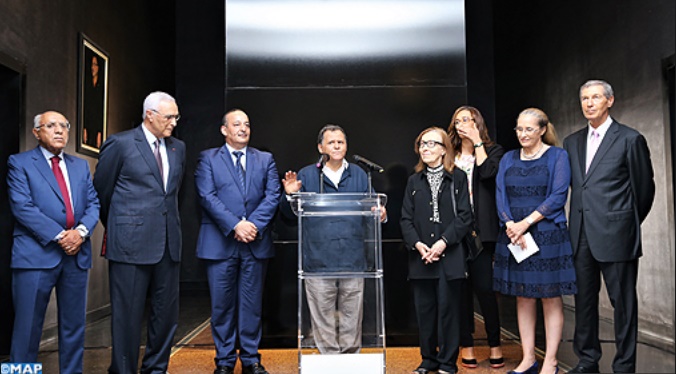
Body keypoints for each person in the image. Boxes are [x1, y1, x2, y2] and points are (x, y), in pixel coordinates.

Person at [563, 80, 655, 373]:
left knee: (623, 306)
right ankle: (588, 360)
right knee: (584, 303)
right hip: (580, 235)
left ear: (610, 101)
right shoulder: (571, 141)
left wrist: (624, 221)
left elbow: (644, 189)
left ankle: (624, 366)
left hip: (617, 234)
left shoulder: (629, 139)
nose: (589, 103)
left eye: (595, 97)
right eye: (584, 98)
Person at [94, 91, 186, 374]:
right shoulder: (120, 144)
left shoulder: (178, 147)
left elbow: (172, 195)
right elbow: (102, 192)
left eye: (176, 116)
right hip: (130, 245)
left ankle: (156, 369)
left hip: (168, 244)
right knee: (127, 317)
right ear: (149, 115)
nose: (174, 122)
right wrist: (125, 226)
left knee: (166, 316)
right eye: (169, 116)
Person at [7, 111, 100, 373]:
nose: (59, 130)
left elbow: (93, 203)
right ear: (37, 132)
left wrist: (80, 232)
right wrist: (62, 236)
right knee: (27, 329)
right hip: (35, 256)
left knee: (74, 328)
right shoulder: (20, 162)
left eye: (64, 126)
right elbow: (22, 207)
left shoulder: (80, 165)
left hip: (76, 256)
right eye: (51, 126)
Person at [281, 124, 387, 354]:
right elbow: (289, 217)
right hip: (318, 261)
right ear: (320, 147)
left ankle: (350, 360)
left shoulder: (359, 174)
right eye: (332, 142)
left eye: (341, 142)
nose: (337, 146)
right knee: (323, 317)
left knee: (352, 316)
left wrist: (379, 212)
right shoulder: (308, 174)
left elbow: (371, 210)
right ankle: (329, 360)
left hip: (353, 260)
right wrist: (289, 195)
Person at [195, 109, 281, 374]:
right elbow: (207, 196)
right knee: (221, 306)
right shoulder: (208, 158)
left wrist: (252, 225)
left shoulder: (265, 159)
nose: (243, 128)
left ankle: (251, 359)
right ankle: (224, 361)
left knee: (251, 305)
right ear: (224, 130)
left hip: (254, 243)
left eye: (247, 124)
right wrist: (236, 225)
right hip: (220, 244)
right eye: (237, 124)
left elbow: (273, 194)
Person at [494, 108, 576, 374]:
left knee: (550, 297)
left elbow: (558, 195)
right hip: (515, 235)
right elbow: (500, 195)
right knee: (523, 297)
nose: (523, 134)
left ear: (542, 129)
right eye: (519, 129)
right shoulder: (507, 158)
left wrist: (525, 223)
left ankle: (550, 360)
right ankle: (528, 357)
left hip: (547, 234)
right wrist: (510, 224)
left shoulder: (557, 156)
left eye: (529, 129)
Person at [400, 127, 472, 374]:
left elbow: (465, 217)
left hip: (449, 256)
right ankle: (428, 359)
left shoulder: (458, 177)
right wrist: (419, 245)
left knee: (449, 311)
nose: (426, 148)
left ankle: (447, 362)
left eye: (432, 144)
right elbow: (405, 219)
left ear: (444, 150)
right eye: (422, 144)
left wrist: (442, 242)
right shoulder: (413, 180)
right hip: (421, 258)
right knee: (425, 312)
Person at [447, 106, 505, 369]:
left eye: (467, 120)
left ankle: (495, 344)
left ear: (477, 123)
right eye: (457, 121)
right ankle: (466, 345)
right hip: (454, 234)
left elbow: (488, 174)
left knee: (486, 291)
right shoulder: (450, 156)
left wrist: (477, 141)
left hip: (481, 234)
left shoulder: (493, 151)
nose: (461, 125)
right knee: (459, 293)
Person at [83, 54, 105, 149]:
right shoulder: (87, 85)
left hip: (96, 124)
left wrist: (100, 132)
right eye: (91, 64)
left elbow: (101, 110)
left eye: (95, 64)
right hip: (88, 122)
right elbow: (85, 107)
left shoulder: (101, 88)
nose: (93, 67)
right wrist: (84, 127)